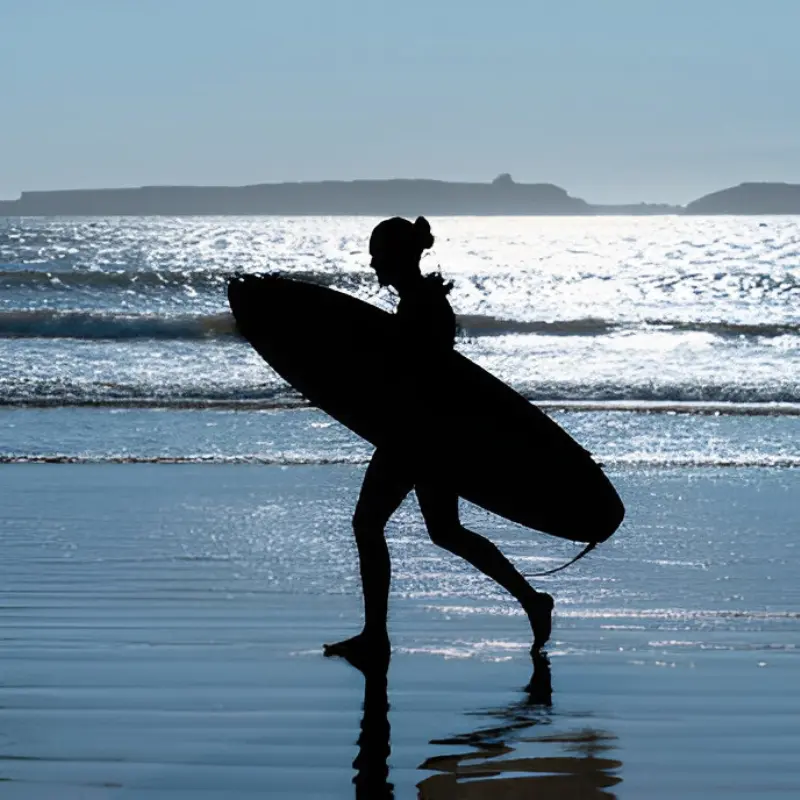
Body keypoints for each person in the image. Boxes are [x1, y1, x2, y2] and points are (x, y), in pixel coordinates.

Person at [323, 216, 553, 669]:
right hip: (430, 436)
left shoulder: (421, 307)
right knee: (445, 532)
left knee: (367, 525)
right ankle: (532, 600)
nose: (372, 265)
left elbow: (420, 378)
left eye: (377, 256)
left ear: (397, 257)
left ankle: (376, 637)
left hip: (414, 437)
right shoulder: (420, 302)